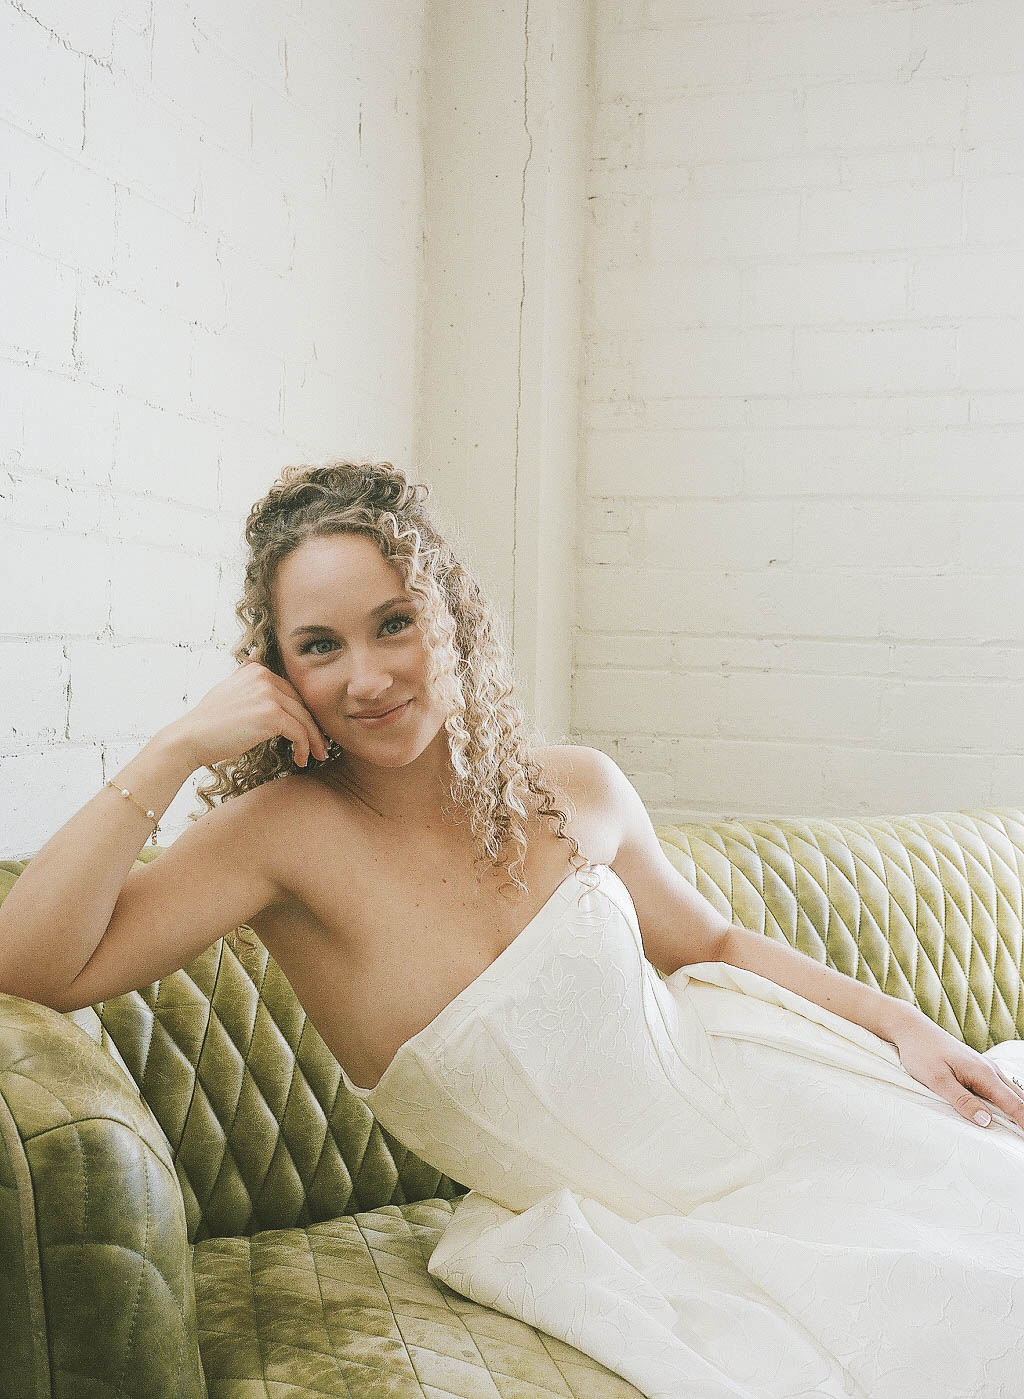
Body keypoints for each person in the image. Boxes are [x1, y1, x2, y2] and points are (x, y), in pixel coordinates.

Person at [2, 458, 1024, 1398]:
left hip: (779, 1104)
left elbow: (710, 946)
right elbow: (26, 965)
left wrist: (903, 1024)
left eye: (393, 622)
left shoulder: (573, 786)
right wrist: (176, 745)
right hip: (625, 1231)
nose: (366, 676)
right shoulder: (274, 844)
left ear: (452, 618)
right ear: (277, 670)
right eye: (320, 645)